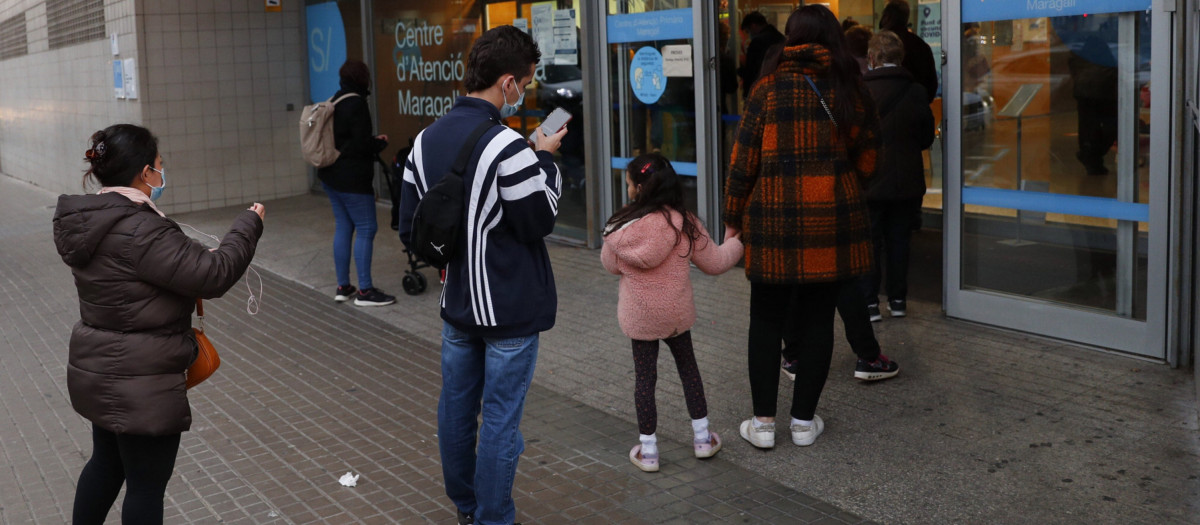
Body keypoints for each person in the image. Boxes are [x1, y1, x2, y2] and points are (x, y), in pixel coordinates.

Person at [396, 26, 567, 525]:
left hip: (457, 304)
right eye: (527, 83)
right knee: (498, 421)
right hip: (509, 310)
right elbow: (539, 218)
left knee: (455, 410)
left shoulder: (424, 140)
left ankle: (467, 507)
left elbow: (410, 228)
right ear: (508, 82)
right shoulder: (509, 147)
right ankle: (494, 516)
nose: (526, 92)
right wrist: (545, 160)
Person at [53, 124, 264, 525]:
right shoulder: (140, 228)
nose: (162, 175)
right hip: (143, 378)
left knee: (106, 465)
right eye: (160, 166)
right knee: (146, 485)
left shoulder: (88, 220)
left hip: (102, 367)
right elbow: (214, 274)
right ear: (144, 172)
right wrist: (247, 225)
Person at [724, 4, 880, 450]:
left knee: (766, 320)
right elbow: (870, 159)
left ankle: (763, 425)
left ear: (789, 39)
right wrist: (840, 185)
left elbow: (742, 165)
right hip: (831, 223)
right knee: (817, 321)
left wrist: (733, 219)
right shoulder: (851, 89)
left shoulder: (766, 89)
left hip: (772, 224)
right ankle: (804, 423)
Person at [600, 154, 744, 473]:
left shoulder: (619, 227)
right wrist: (736, 243)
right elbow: (716, 263)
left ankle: (649, 451)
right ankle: (703, 438)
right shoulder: (685, 222)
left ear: (639, 187)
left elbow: (610, 266)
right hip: (676, 314)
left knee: (645, 380)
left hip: (640, 317)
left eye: (627, 184)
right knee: (688, 371)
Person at [860, 30, 936, 321]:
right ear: (900, 58)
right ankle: (898, 300)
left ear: (872, 57)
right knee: (899, 241)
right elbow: (926, 137)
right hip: (907, 180)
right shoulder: (915, 91)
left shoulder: (861, 91)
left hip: (870, 181)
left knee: (870, 241)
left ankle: (870, 303)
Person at [317, 59, 394, 307]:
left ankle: (343, 287)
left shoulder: (336, 99)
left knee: (344, 226)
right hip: (352, 179)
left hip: (331, 176)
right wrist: (378, 143)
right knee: (367, 228)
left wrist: (368, 141)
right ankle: (365, 291)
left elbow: (346, 139)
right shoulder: (356, 103)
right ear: (363, 78)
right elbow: (360, 145)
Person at [878, 0, 938, 103]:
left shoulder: (879, 46)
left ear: (886, 16)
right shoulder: (920, 45)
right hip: (916, 106)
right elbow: (931, 84)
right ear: (906, 17)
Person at [737, 11, 785, 99]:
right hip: (779, 87)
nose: (749, 35)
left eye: (748, 31)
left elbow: (751, 71)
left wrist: (738, 68)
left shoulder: (757, 42)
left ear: (753, 26)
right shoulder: (780, 38)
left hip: (760, 90)